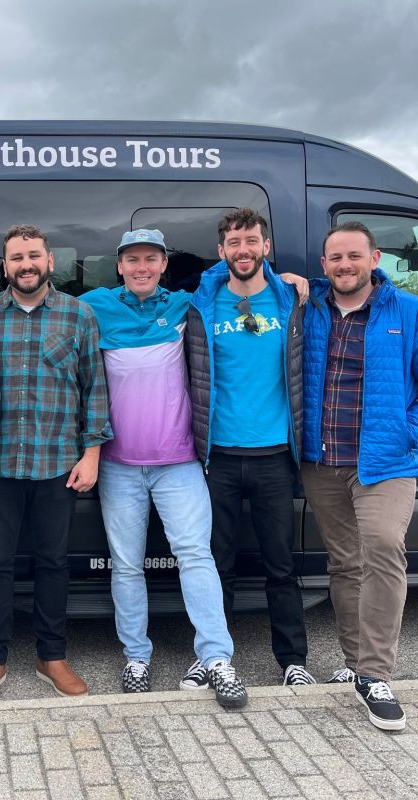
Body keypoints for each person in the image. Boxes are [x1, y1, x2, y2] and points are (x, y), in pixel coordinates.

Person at [80, 229, 248, 708]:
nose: (141, 268)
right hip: (118, 466)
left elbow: (234, 273)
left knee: (196, 557)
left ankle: (217, 659)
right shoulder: (94, 305)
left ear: (163, 265)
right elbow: (46, 305)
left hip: (179, 463)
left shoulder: (182, 305)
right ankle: (136, 657)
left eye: (151, 259)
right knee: (127, 566)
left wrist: (293, 279)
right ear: (119, 266)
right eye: (132, 260)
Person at [0, 224, 113, 702]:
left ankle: (52, 657)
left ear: (51, 261)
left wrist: (91, 454)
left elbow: (96, 389)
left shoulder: (78, 314)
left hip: (57, 465)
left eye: (33, 255)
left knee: (53, 564)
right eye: (16, 257)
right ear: (4, 265)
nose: (25, 264)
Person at [187, 208, 315, 688]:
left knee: (280, 564)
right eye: (234, 243)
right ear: (222, 252)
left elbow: (352, 283)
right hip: (216, 456)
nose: (243, 250)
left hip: (274, 457)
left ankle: (294, 660)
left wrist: (301, 280)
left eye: (252, 241)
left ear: (266, 246)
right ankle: (213, 657)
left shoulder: (291, 300)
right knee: (214, 563)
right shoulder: (201, 304)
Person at [301, 221, 418, 731]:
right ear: (323, 264)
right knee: (344, 562)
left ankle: (375, 675)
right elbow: (231, 278)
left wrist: (405, 433)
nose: (344, 265)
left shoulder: (407, 312)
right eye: (334, 258)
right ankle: (352, 663)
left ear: (375, 258)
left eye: (354, 256)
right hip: (321, 460)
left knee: (383, 550)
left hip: (386, 461)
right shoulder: (308, 310)